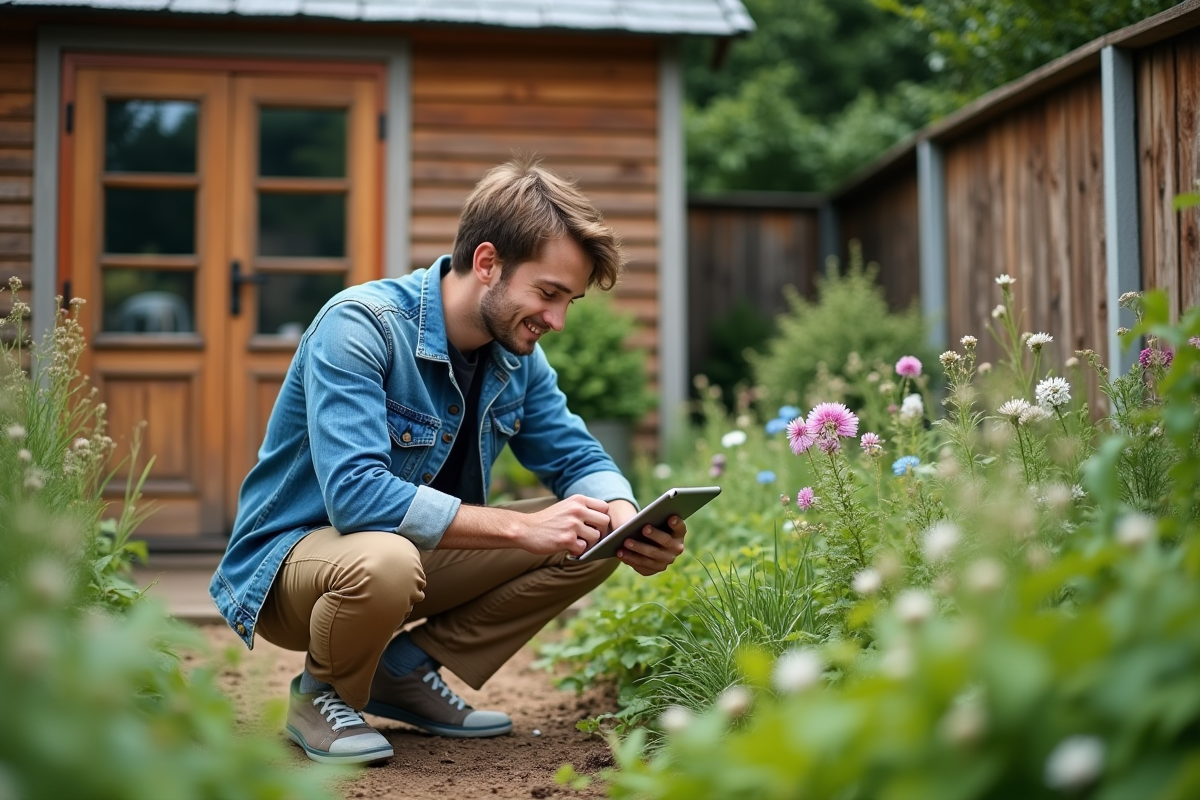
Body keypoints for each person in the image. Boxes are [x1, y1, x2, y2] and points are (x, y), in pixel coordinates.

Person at [209, 156, 689, 765]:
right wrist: (521, 526)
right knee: (386, 558)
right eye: (548, 294)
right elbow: (358, 499)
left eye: (569, 301)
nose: (558, 320)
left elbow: (578, 456)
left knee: (591, 526)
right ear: (487, 263)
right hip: (293, 566)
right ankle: (322, 693)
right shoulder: (360, 326)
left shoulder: (515, 358)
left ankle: (401, 672)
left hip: (406, 557)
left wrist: (627, 519)